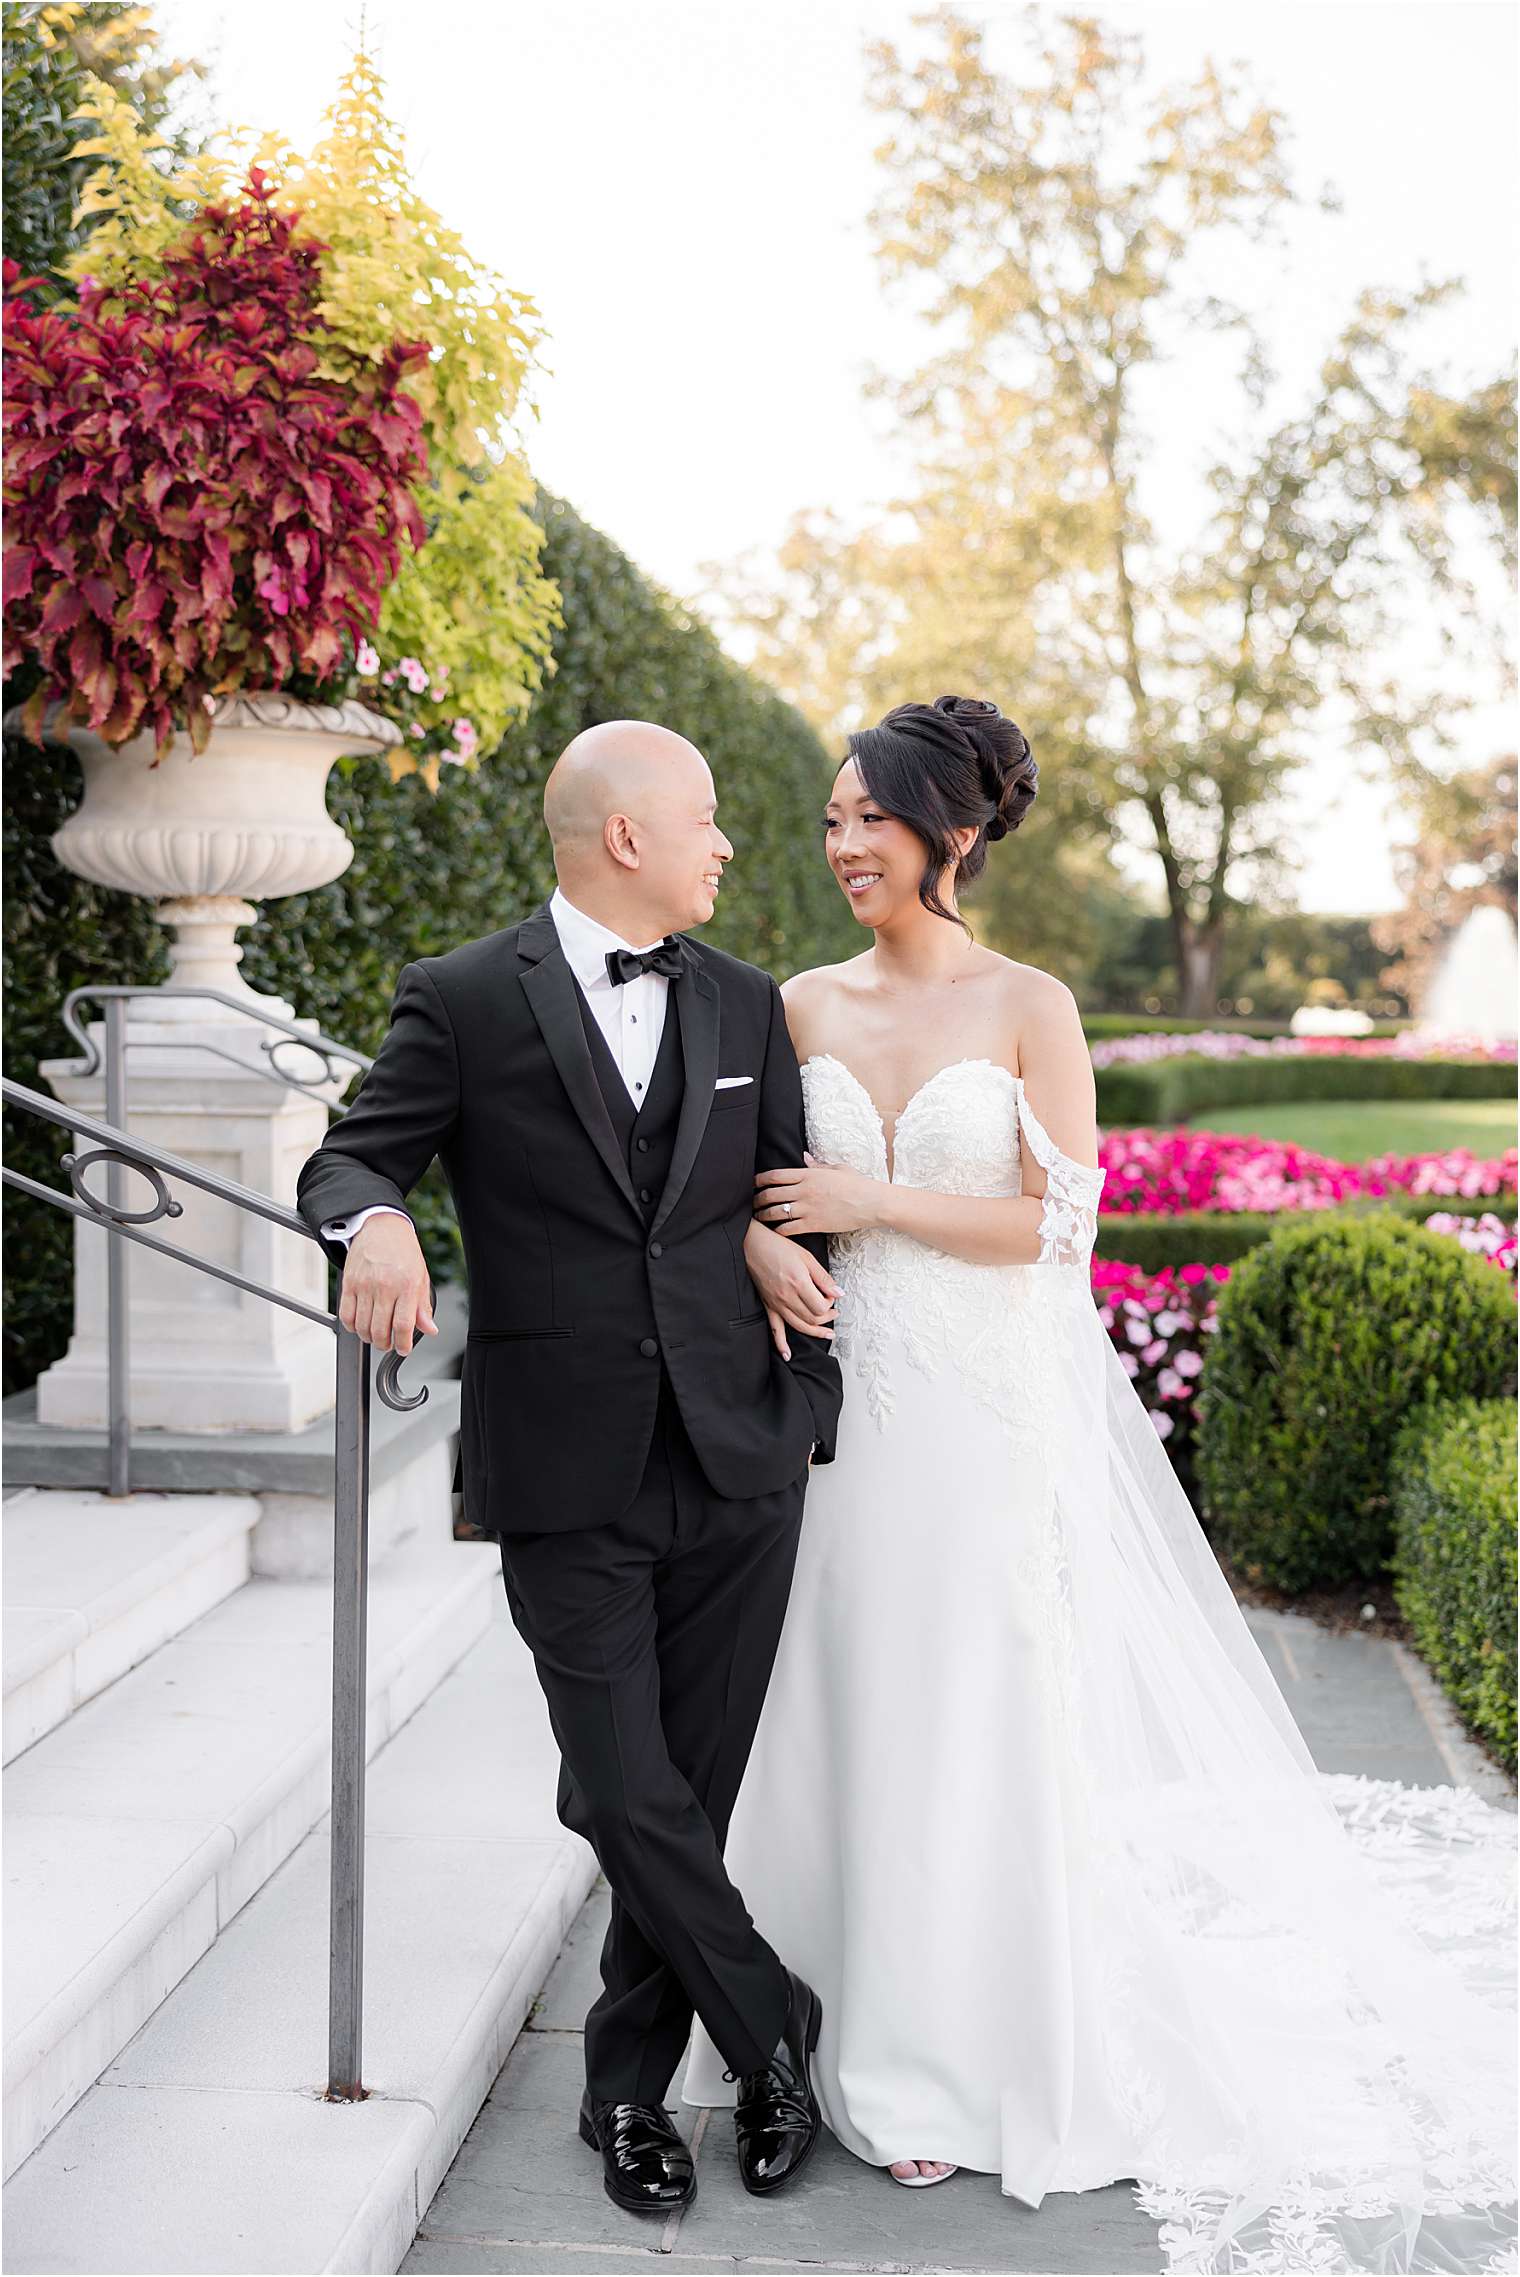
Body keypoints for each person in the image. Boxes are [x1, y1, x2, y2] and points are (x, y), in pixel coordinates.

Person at [682, 695, 1516, 2271]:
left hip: (974, 1414)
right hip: (838, 1415)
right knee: (839, 1690)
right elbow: (717, 1191)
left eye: (872, 816)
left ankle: (948, 2050)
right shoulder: (790, 1003)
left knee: (966, 1708)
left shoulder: (1030, 1007)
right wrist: (765, 1240)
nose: (844, 841)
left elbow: (1058, 1231)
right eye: (835, 817)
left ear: (956, 832)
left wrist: (873, 1196)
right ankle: (806, 2013)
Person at [295, 721, 843, 2216]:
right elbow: (345, 1161)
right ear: (623, 836)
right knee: (621, 1787)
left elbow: (785, 1205)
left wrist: (810, 1398)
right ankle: (771, 2030)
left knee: (688, 1796)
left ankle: (623, 2099)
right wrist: (382, 1223)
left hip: (742, 1455)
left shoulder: (742, 1003)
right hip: (562, 1464)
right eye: (709, 819)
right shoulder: (467, 999)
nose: (730, 844)